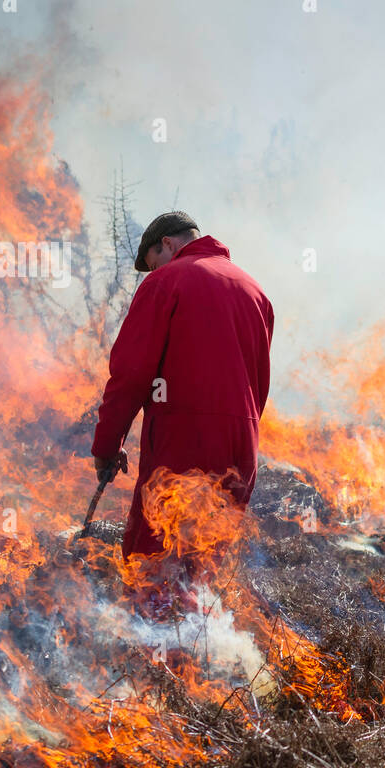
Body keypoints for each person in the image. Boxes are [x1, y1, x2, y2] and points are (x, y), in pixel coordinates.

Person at [90, 211, 274, 560]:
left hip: (184, 440)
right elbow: (259, 382)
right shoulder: (256, 291)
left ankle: (151, 617)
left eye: (154, 263)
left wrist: (106, 447)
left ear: (168, 244)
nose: (154, 272)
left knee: (154, 559)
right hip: (242, 446)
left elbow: (130, 375)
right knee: (203, 564)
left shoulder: (166, 282)